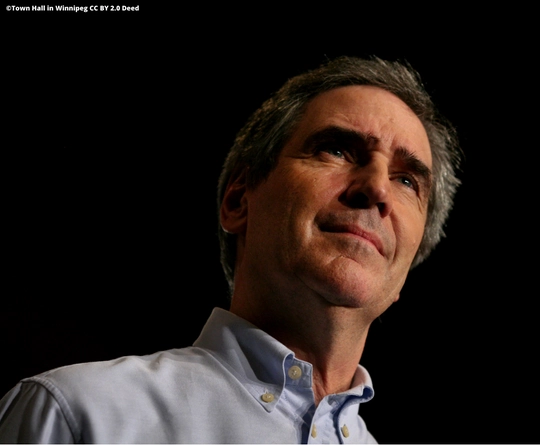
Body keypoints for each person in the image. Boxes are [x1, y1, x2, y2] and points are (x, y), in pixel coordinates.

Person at [0, 55, 461, 443]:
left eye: (406, 180)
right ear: (239, 200)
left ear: (405, 269)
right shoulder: (80, 415)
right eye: (337, 150)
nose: (377, 188)